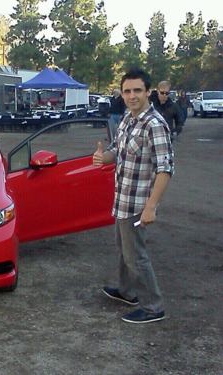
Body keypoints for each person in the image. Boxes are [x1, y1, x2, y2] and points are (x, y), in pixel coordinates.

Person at [93, 68, 174, 324]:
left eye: (137, 90)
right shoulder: (129, 118)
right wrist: (103, 156)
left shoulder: (155, 124)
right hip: (123, 199)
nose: (132, 96)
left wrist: (152, 206)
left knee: (136, 255)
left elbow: (165, 168)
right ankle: (127, 292)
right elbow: (117, 149)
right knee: (124, 249)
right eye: (127, 91)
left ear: (147, 92)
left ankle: (153, 307)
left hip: (139, 203)